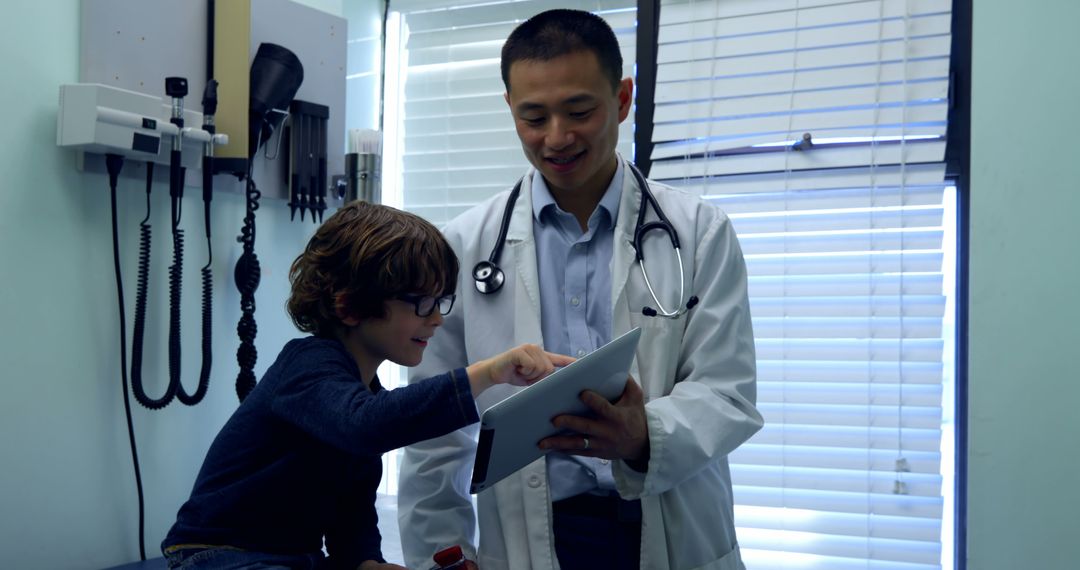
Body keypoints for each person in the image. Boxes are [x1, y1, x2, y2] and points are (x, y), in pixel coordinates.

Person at [396, 8, 764, 570]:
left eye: (579, 111)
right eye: (533, 117)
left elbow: (727, 393)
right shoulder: (464, 247)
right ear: (510, 111)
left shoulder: (700, 234)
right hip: (529, 535)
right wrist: (442, 557)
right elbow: (435, 431)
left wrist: (643, 435)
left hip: (666, 524)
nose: (556, 138)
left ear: (621, 100)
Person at [160, 201, 573, 570]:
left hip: (292, 557)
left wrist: (366, 562)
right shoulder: (307, 368)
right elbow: (367, 425)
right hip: (218, 554)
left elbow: (351, 511)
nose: (437, 319)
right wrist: (487, 373)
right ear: (351, 305)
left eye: (440, 301)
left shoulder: (360, 397)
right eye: (422, 303)